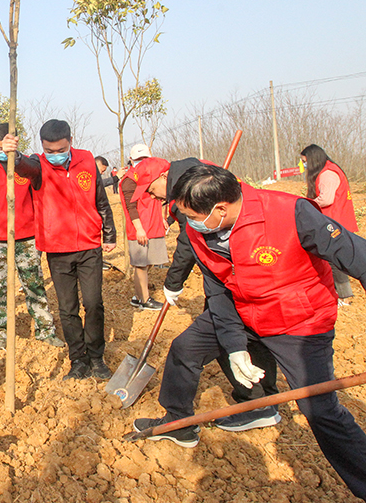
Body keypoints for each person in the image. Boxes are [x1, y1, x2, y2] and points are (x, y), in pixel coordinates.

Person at [133, 164, 366, 500]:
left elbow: (356, 257)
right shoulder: (199, 229)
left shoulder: (289, 213)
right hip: (241, 308)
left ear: (221, 209)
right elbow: (216, 288)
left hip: (297, 320)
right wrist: (234, 345)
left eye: (191, 215)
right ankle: (179, 421)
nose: (187, 223)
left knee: (321, 410)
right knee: (185, 348)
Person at [129, 156, 281, 432]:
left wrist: (173, 281)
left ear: (164, 178)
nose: (152, 197)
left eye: (151, 190)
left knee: (222, 338)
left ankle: (255, 404)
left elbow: (189, 241)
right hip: (231, 279)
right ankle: (259, 403)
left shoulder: (193, 188)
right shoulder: (186, 180)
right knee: (223, 337)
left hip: (244, 276)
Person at [3, 119, 117, 380]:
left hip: (89, 245)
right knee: (67, 309)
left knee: (93, 303)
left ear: (70, 141)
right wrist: (14, 153)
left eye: (60, 150)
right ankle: (78, 360)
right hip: (57, 249)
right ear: (42, 147)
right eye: (49, 151)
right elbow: (23, 165)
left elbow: (101, 199)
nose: (55, 156)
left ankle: (96, 357)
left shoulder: (87, 160)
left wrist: (109, 233)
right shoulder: (38, 166)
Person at [0, 122, 63, 350]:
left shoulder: (26, 164)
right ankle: (1, 333)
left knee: (34, 284)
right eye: (0, 147)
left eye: (8, 146)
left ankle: (45, 329)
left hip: (27, 236)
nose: (4, 151)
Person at [300, 144, 360, 306]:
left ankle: (344, 296)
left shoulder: (328, 174)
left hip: (333, 222)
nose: (304, 165)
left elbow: (327, 199)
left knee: (333, 260)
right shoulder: (329, 170)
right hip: (335, 221)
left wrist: (306, 204)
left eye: (305, 161)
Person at [118, 143, 167, 310]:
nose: (142, 163)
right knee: (140, 265)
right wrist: (139, 228)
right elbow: (130, 207)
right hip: (140, 228)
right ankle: (144, 300)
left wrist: (162, 218)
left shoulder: (155, 176)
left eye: (145, 159)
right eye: (138, 160)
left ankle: (138, 295)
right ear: (131, 160)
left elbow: (158, 200)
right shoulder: (129, 180)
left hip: (154, 225)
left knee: (149, 263)